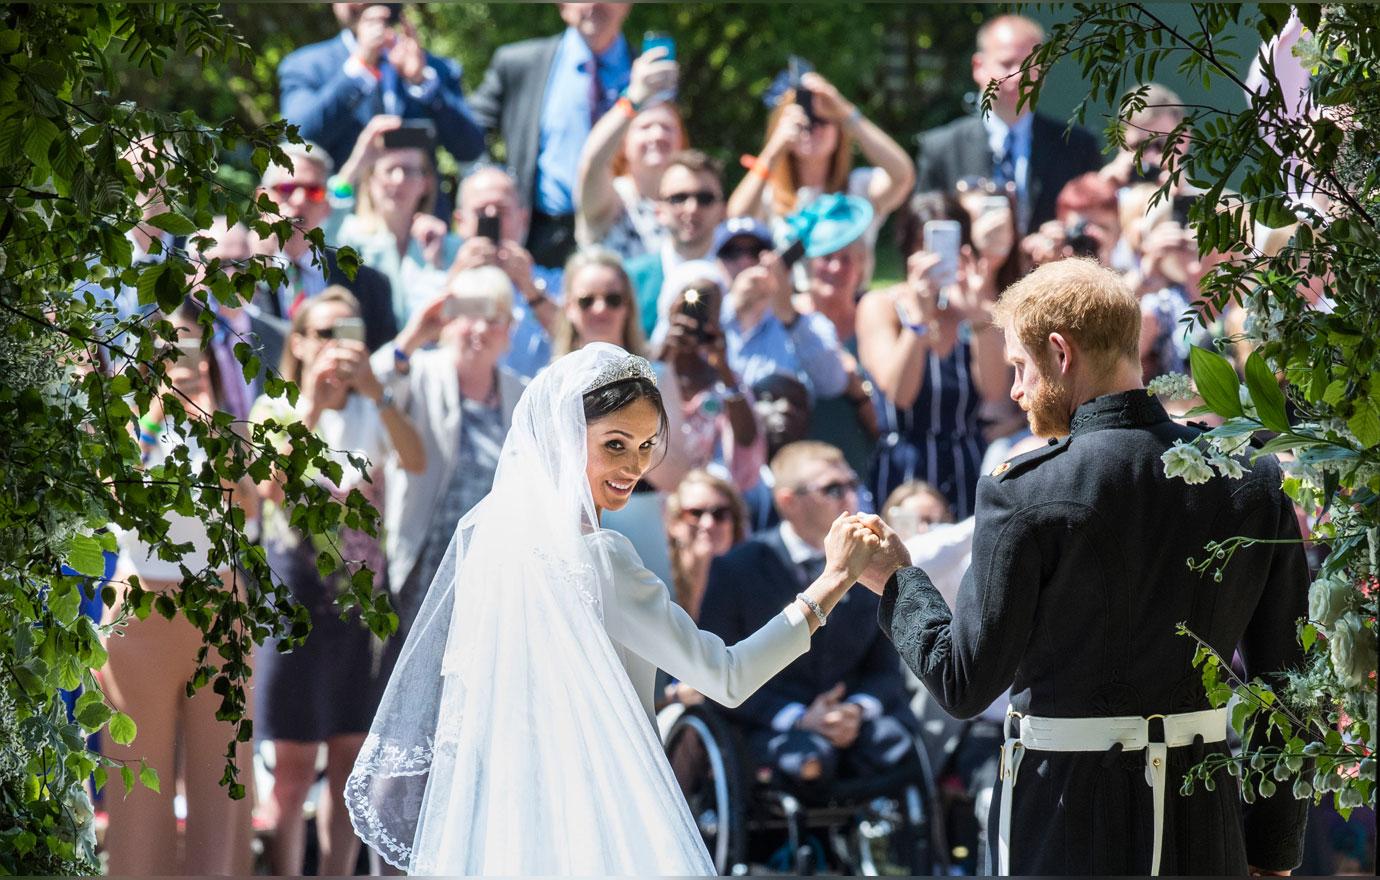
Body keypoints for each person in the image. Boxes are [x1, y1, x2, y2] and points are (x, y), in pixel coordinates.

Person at [346, 344, 882, 874]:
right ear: (563, 437)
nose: (635, 465)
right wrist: (832, 582)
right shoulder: (600, 558)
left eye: (647, 445)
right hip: (604, 815)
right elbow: (729, 676)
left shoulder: (495, 544)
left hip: (513, 818)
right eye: (616, 443)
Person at [857, 258, 1310, 875]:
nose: (1015, 391)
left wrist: (896, 583)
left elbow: (963, 681)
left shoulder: (1025, 488)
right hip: (1205, 830)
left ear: (1059, 353)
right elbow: (1288, 684)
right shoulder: (1251, 480)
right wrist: (1272, 850)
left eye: (1019, 367)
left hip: (1065, 822)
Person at [250, 286, 425, 877]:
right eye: (324, 333)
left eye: (349, 333)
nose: (336, 347)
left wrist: (376, 394)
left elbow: (416, 459)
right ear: (297, 341)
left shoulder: (372, 407)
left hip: (358, 608)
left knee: (350, 765)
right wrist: (315, 407)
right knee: (292, 767)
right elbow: (268, 488)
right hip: (294, 601)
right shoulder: (275, 407)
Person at [101, 305, 257, 876]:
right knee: (138, 796)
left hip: (219, 612)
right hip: (142, 618)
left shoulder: (229, 425)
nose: (179, 362)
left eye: (189, 348)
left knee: (225, 787)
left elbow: (249, 504)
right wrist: (154, 413)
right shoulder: (123, 420)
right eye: (166, 350)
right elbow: (120, 495)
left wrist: (209, 422)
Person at [701, 441, 917, 795]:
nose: (849, 497)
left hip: (855, 723)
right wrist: (799, 717)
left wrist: (856, 711)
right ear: (788, 501)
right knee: (810, 760)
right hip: (773, 727)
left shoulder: (874, 564)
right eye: (832, 488)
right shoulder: (737, 570)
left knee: (899, 744)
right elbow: (715, 671)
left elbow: (885, 670)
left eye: (852, 485)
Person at [368, 266, 527, 669]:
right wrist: (415, 334)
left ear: (509, 330)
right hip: (425, 566)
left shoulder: (519, 394)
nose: (478, 328)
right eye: (466, 313)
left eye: (491, 317)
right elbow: (371, 384)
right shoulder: (420, 372)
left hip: (493, 576)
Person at [857, 191, 1011, 519]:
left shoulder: (975, 310)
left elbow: (995, 392)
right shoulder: (882, 306)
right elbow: (900, 394)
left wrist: (980, 318)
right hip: (904, 468)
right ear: (908, 248)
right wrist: (919, 321)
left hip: (966, 464)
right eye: (925, 244)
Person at [469, 2, 634, 267]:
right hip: (541, 234)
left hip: (625, 232)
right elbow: (469, 129)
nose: (594, 5)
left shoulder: (648, 73)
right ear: (562, 6)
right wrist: (496, 185)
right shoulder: (521, 64)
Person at [913, 14, 1102, 233]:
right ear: (978, 66)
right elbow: (920, 229)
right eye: (1006, 64)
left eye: (1029, 65)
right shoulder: (942, 148)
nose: (1017, 76)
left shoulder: (1077, 147)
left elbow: (1098, 227)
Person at [728, 70, 914, 287]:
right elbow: (737, 220)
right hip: (792, 312)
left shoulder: (860, 187)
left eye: (822, 120)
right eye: (803, 121)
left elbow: (903, 175)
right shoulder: (770, 193)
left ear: (839, 131)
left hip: (850, 311)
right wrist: (774, 150)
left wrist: (845, 113)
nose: (811, 128)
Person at [277, 2, 484, 171]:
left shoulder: (436, 68)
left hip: (421, 214)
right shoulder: (306, 65)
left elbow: (471, 150)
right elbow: (296, 140)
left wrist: (422, 83)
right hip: (341, 212)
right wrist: (359, 69)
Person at [254, 141, 398, 352]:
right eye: (287, 188)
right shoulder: (244, 275)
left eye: (314, 192)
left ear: (327, 206)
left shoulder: (368, 284)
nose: (300, 200)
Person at [329, 115, 460, 325]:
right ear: (370, 180)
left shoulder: (447, 244)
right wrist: (357, 162)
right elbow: (316, 231)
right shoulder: (348, 237)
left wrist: (435, 265)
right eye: (390, 170)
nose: (398, 181)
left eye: (409, 171)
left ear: (426, 182)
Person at [713, 216, 849, 400]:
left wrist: (790, 317)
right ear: (716, 263)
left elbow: (833, 384)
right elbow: (664, 366)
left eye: (755, 251)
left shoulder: (808, 322)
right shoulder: (706, 315)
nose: (745, 262)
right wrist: (731, 309)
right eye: (731, 252)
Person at [575, 41, 686, 260]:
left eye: (667, 128)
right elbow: (593, 162)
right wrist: (634, 98)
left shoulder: (693, 203)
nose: (657, 135)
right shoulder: (614, 199)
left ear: (682, 141)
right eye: (645, 127)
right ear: (623, 144)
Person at [448, 165, 561, 379]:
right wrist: (455, 281)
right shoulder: (437, 281)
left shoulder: (553, 284)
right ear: (460, 222)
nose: (491, 218)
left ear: (524, 218)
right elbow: (427, 340)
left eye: (501, 210)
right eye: (481, 211)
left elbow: (576, 339)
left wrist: (531, 290)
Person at [625, 149, 728, 336]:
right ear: (658, 210)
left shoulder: (739, 276)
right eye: (679, 198)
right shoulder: (629, 279)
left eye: (705, 198)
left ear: (723, 209)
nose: (692, 208)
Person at [664, 469, 750, 623]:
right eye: (695, 513)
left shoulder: (754, 579)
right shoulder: (656, 575)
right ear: (674, 523)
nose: (708, 523)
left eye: (720, 513)